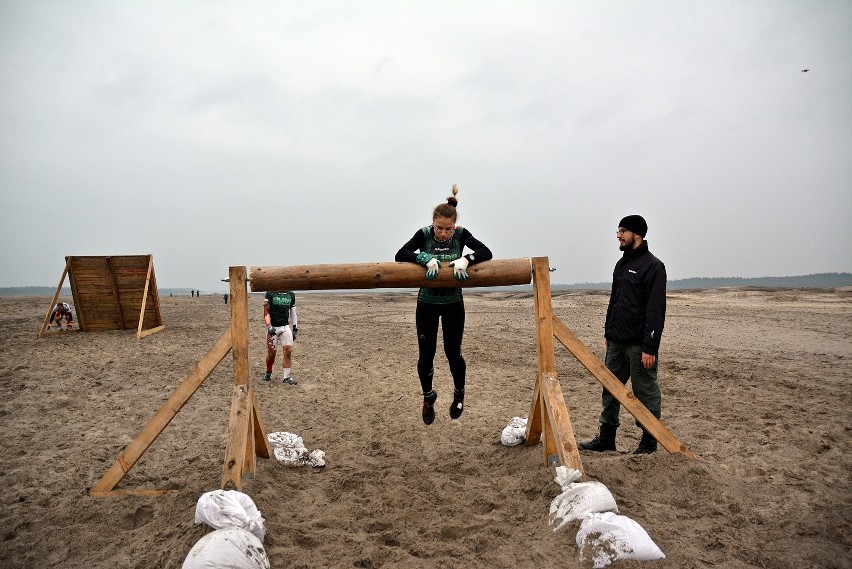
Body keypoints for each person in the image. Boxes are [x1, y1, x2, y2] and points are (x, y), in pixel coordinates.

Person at [395, 184, 492, 424]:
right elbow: (401, 254)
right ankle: (428, 397)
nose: (443, 233)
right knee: (426, 354)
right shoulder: (424, 234)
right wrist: (423, 257)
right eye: (439, 228)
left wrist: (466, 259)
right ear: (433, 224)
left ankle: (459, 393)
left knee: (453, 353)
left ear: (454, 226)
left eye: (448, 229)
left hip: (453, 303)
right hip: (427, 303)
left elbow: (486, 251)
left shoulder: (461, 234)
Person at [580, 214, 667, 454]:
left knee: (645, 392)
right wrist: (608, 332)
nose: (618, 235)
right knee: (609, 388)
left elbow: (655, 310)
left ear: (636, 234)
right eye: (618, 231)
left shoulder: (653, 266)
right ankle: (606, 438)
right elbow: (615, 301)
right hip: (617, 341)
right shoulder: (620, 264)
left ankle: (649, 442)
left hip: (640, 345)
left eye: (622, 231)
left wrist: (650, 347)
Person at [262, 290, 299, 385]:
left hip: (285, 327)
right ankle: (268, 371)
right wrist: (269, 325)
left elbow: (293, 312)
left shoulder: (291, 294)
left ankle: (286, 377)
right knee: (271, 354)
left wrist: (295, 328)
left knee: (288, 351)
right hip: (273, 327)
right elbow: (266, 310)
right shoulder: (270, 293)